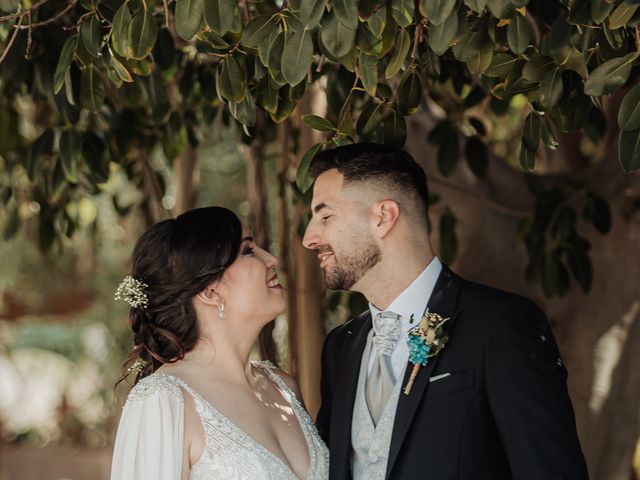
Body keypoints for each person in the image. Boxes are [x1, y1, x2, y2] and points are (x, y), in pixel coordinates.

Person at [302, 143, 589, 480]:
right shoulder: (340, 347)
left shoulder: (500, 325)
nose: (309, 237)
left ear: (383, 217)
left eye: (325, 216)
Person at [110, 206, 328, 480]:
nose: (271, 259)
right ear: (210, 291)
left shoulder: (283, 388)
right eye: (248, 251)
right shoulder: (164, 400)